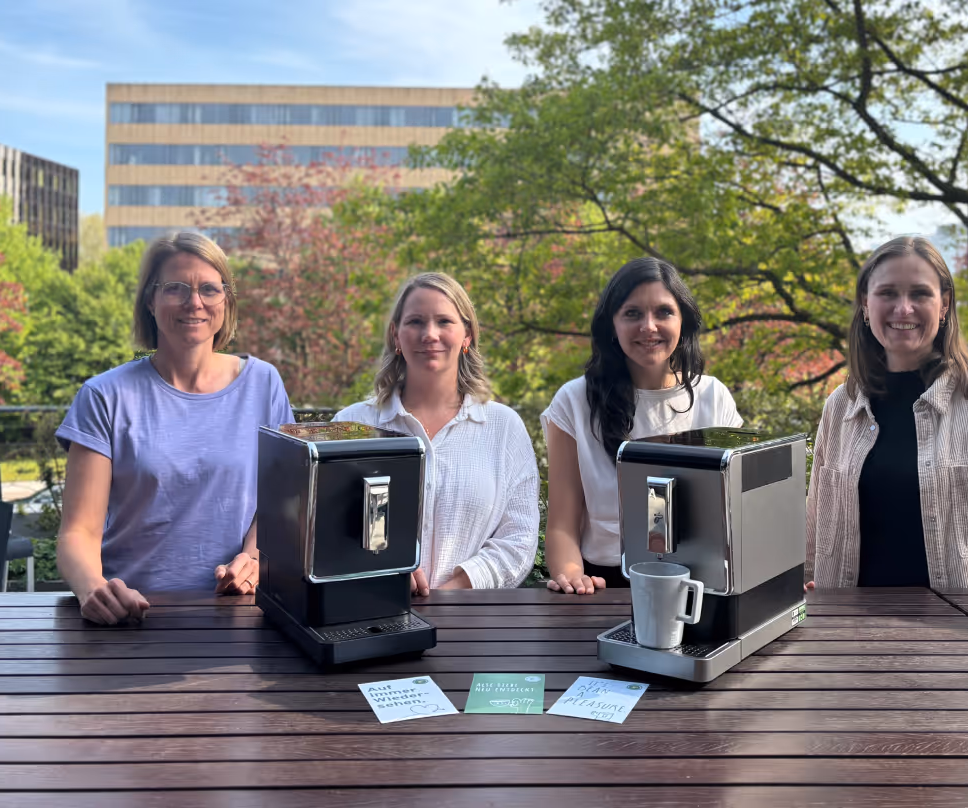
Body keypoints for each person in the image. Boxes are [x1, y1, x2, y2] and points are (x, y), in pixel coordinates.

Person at [56, 232, 294, 625]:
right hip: (132, 615)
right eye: (176, 288)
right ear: (150, 300)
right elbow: (77, 533)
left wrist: (252, 558)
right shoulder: (104, 396)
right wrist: (94, 589)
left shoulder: (264, 384)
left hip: (239, 612)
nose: (194, 302)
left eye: (209, 289)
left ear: (226, 301)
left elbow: (280, 503)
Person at [805, 235, 968, 589]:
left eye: (920, 294)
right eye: (888, 293)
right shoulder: (840, 406)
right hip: (854, 635)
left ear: (944, 305)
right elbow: (814, 541)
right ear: (865, 304)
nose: (903, 308)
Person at [542, 257, 742, 595]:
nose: (648, 327)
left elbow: (735, 517)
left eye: (664, 312)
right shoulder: (574, 401)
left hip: (702, 585)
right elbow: (562, 523)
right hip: (604, 584)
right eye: (632, 313)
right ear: (612, 325)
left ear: (684, 322)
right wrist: (573, 576)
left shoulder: (714, 397)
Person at [334, 272, 539, 594]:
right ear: (396, 336)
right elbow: (327, 530)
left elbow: (519, 538)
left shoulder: (504, 428)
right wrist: (381, 571)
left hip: (473, 623)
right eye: (415, 322)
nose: (430, 334)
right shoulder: (352, 426)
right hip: (367, 611)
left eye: (444, 321)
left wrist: (454, 589)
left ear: (467, 335)